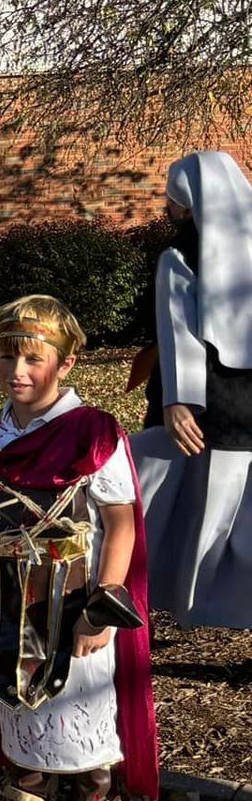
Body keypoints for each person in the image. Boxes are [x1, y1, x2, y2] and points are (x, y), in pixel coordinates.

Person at [0, 297, 158, 801]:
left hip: (74, 604)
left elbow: (120, 522)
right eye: (6, 355)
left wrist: (104, 605)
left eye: (34, 358)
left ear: (65, 363)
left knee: (82, 717)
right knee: (19, 709)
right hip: (4, 600)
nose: (18, 369)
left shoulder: (94, 432)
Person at [134, 151, 252, 628]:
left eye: (171, 198)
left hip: (214, 404)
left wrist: (177, 400)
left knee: (210, 509)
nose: (167, 208)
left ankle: (196, 606)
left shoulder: (179, 256)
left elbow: (178, 332)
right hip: (227, 405)